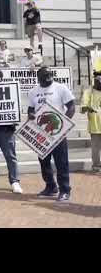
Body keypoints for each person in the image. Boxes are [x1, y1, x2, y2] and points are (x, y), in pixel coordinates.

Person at [28, 67, 75, 203]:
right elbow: (31, 109)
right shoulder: (33, 92)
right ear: (39, 78)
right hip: (41, 133)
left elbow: (71, 106)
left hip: (58, 132)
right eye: (45, 75)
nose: (48, 77)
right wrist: (31, 115)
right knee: (44, 161)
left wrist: (64, 124)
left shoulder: (60, 88)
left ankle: (65, 190)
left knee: (61, 162)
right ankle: (50, 187)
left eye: (50, 74)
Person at [81, 71, 101, 173]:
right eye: (98, 80)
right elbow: (83, 107)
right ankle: (96, 166)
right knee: (96, 148)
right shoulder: (88, 92)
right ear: (95, 81)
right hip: (95, 125)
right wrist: (87, 108)